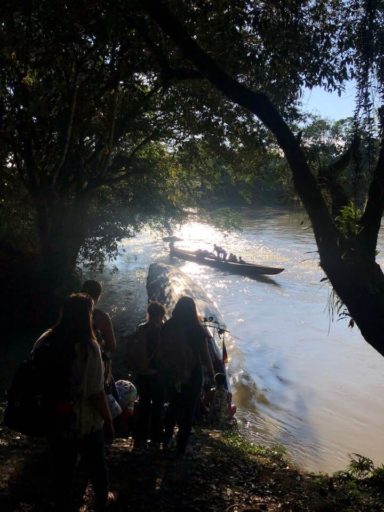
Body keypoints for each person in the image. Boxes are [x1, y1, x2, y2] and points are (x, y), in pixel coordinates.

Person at [32, 293, 115, 512]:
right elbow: (96, 393)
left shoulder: (46, 338)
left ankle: (61, 503)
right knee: (96, 463)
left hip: (54, 415)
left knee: (62, 468)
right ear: (87, 316)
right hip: (84, 420)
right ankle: (102, 499)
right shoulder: (89, 347)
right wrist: (108, 421)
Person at [160, 296, 214, 456]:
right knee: (188, 410)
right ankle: (181, 448)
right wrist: (212, 373)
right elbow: (205, 355)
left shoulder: (168, 326)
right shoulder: (198, 329)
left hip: (172, 372)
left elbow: (161, 350)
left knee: (173, 405)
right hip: (193, 373)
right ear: (192, 310)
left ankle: (167, 439)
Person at [128, 301, 166, 449]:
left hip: (142, 373)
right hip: (157, 374)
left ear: (149, 314)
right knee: (158, 406)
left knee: (143, 404)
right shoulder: (162, 331)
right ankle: (156, 440)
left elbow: (132, 351)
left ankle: (140, 439)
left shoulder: (140, 329)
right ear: (161, 315)